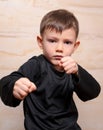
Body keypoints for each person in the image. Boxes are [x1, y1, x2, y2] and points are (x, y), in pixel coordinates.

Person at [0, 9, 101, 130]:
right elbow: (6, 83)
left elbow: (93, 92)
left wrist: (77, 71)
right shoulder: (36, 65)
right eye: (52, 41)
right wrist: (14, 85)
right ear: (40, 42)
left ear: (75, 46)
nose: (59, 48)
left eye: (67, 42)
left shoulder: (72, 68)